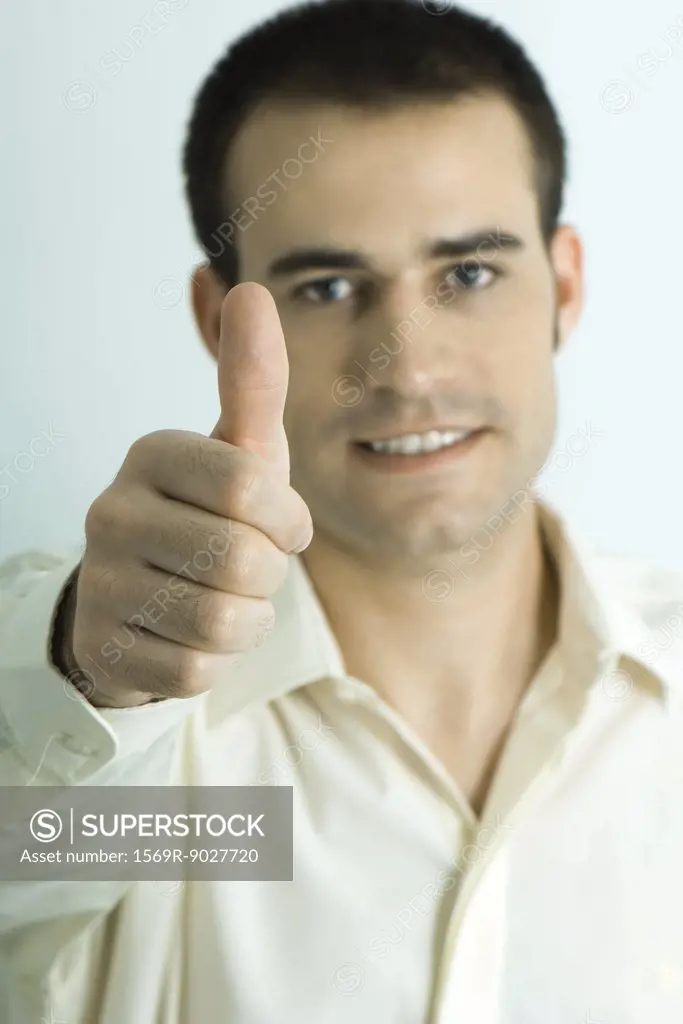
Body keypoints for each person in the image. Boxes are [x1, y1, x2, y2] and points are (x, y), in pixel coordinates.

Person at [1, 0, 682, 1021]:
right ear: (213, 316)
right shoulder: (147, 752)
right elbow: (23, 873)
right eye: (325, 287)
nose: (405, 369)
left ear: (565, 286)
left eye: (467, 272)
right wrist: (86, 668)